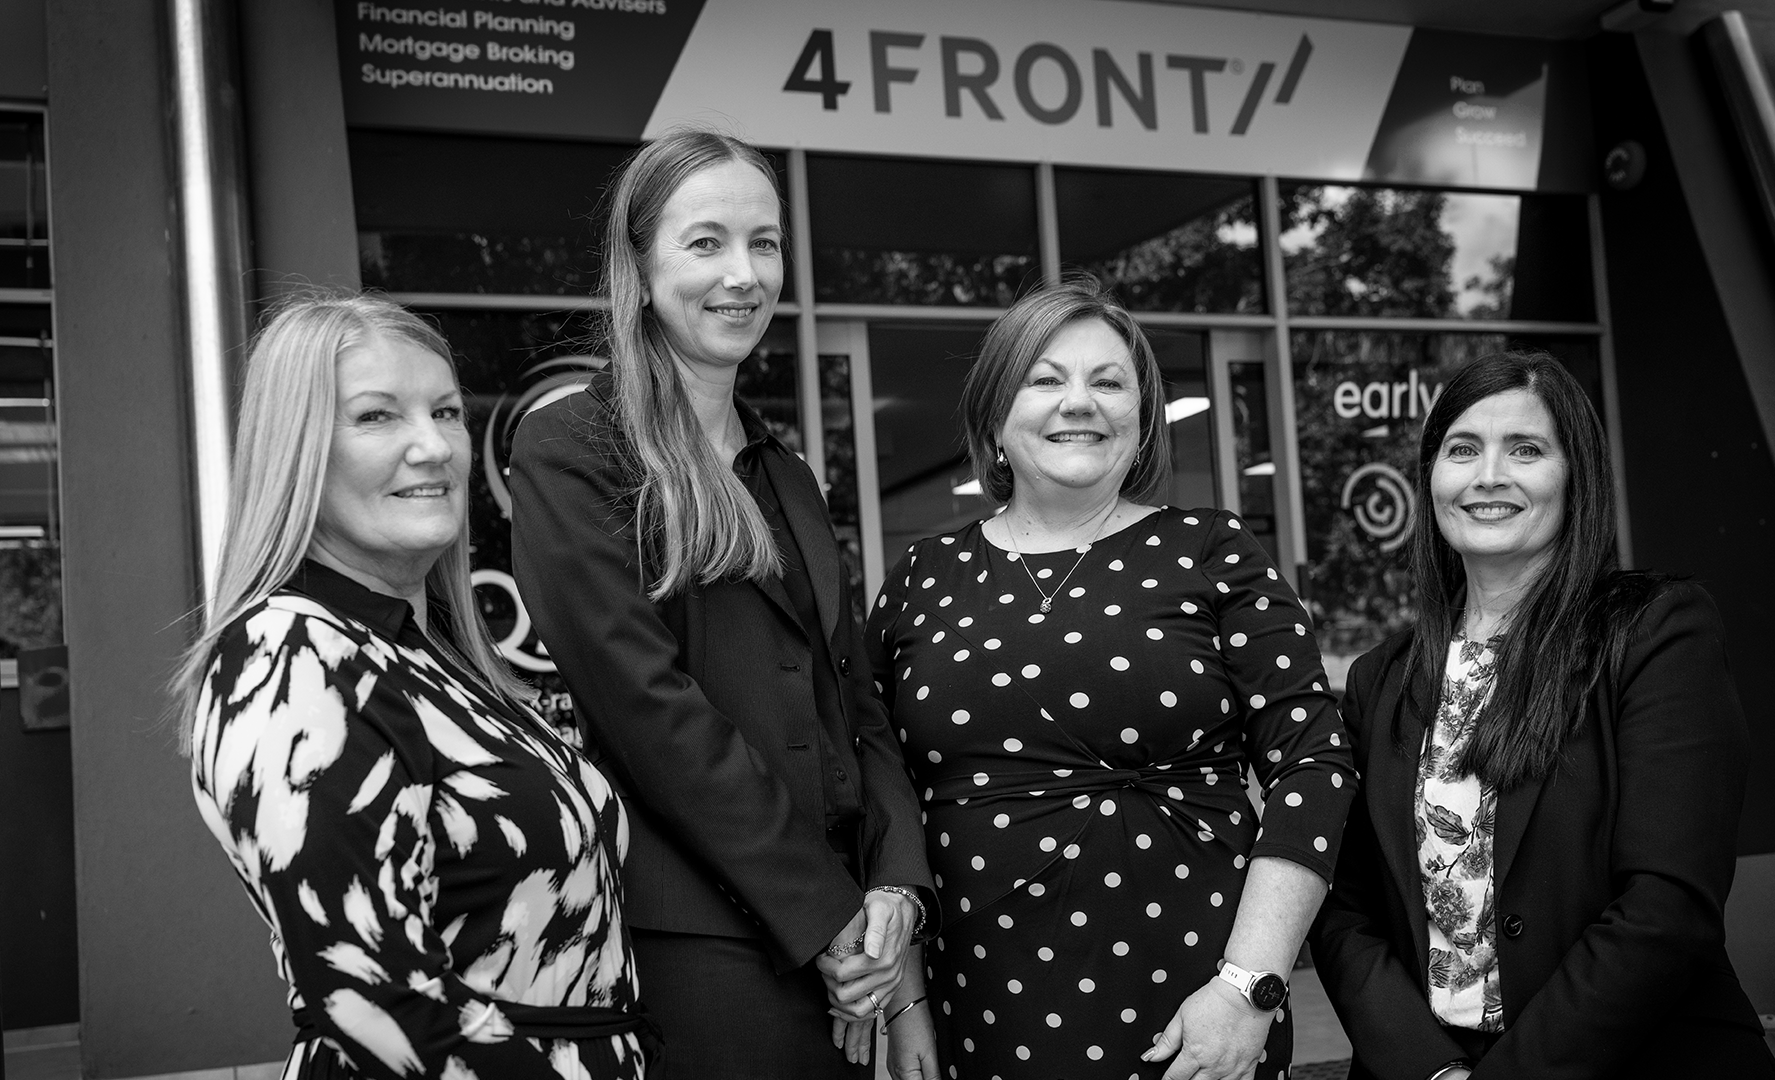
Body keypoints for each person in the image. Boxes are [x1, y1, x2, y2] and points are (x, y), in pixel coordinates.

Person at [507, 128, 935, 1078]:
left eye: (764, 243)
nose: (744, 274)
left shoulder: (786, 472)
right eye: (706, 242)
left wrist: (896, 887)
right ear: (638, 267)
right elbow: (650, 713)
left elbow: (855, 702)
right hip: (703, 946)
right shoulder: (572, 447)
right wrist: (825, 915)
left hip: (850, 942)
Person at [864, 279, 1357, 1080]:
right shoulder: (925, 575)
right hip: (983, 1009)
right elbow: (884, 792)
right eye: (1045, 378)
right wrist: (906, 1001)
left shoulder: (1213, 550)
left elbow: (1314, 763)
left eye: (1108, 381)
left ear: (1143, 416)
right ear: (994, 417)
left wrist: (1249, 989)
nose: (1079, 402)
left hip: (1201, 1008)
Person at [180, 294, 648, 1078]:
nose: (433, 447)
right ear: (297, 451)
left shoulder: (435, 656)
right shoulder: (290, 656)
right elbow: (373, 998)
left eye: (448, 413)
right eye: (377, 416)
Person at [1309, 351, 1775, 1080]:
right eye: (1462, 449)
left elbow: (1666, 907)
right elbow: (1346, 911)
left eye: (1525, 450)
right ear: (1431, 479)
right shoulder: (1381, 679)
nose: (1488, 475)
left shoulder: (1657, 634)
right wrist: (1432, 1069)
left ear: (1575, 477)